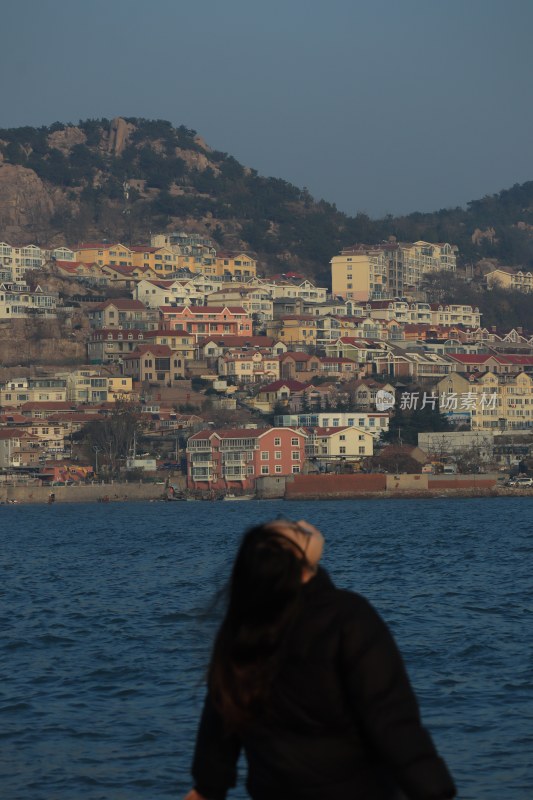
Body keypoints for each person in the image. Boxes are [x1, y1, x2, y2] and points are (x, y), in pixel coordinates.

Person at [185, 519, 456, 800]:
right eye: (297, 529)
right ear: (296, 561)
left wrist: (206, 787)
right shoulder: (349, 617)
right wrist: (435, 790)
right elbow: (393, 724)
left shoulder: (240, 635)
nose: (303, 522)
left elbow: (215, 747)